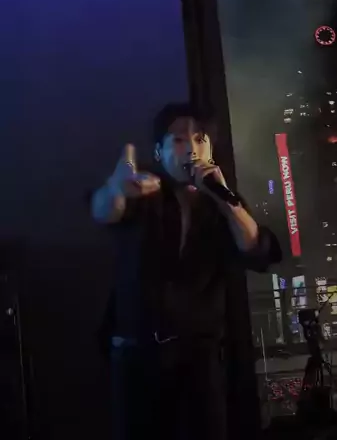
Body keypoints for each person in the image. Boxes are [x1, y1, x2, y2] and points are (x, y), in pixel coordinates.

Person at [90, 103, 282, 440]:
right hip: (138, 354)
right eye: (178, 140)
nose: (192, 149)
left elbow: (257, 250)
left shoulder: (221, 202)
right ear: (159, 151)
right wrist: (116, 190)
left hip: (198, 357)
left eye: (200, 139)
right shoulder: (143, 189)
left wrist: (225, 200)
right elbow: (105, 209)